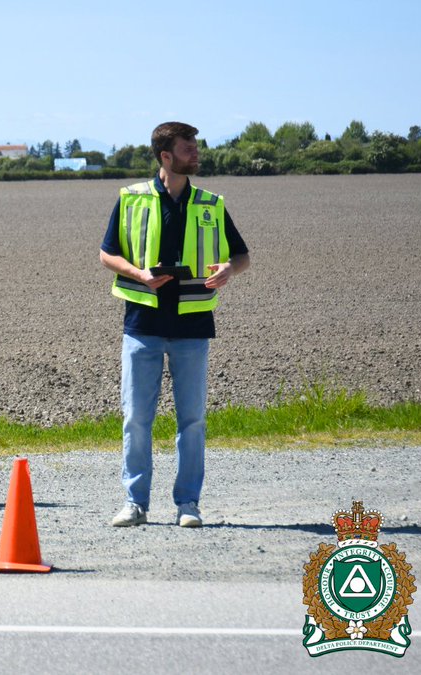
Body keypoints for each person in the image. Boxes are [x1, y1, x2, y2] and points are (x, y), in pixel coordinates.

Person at [98, 122, 251, 528]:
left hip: (193, 328)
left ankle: (188, 504)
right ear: (166, 156)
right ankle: (135, 503)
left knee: (193, 421)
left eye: (195, 147)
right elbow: (106, 254)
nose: (196, 154)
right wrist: (139, 274)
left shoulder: (211, 203)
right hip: (142, 325)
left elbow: (242, 256)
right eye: (188, 148)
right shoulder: (131, 200)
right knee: (136, 419)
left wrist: (228, 270)